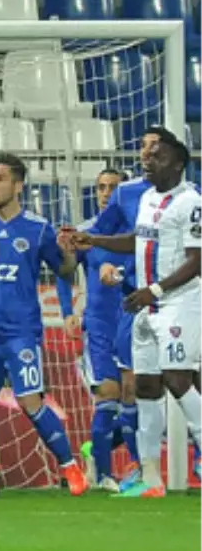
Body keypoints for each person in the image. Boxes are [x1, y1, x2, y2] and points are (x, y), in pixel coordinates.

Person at [73, 135, 202, 497]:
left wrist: (155, 290)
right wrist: (94, 241)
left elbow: (198, 260)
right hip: (144, 305)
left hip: (178, 305)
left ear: (177, 163)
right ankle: (150, 478)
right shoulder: (146, 198)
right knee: (145, 389)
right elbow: (138, 240)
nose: (147, 161)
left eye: (156, 156)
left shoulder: (192, 202)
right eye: (146, 156)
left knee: (178, 381)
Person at [0, 153, 87, 498]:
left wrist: (69, 253)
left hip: (21, 333)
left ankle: (69, 466)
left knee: (31, 402)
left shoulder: (38, 228)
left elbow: (64, 271)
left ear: (18, 185)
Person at [58, 168, 137, 491]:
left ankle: (101, 449)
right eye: (102, 187)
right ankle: (104, 474)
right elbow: (64, 274)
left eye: (113, 188)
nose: (106, 193)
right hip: (101, 324)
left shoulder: (138, 232)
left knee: (137, 398)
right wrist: (67, 312)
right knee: (107, 393)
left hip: (134, 321)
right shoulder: (86, 234)